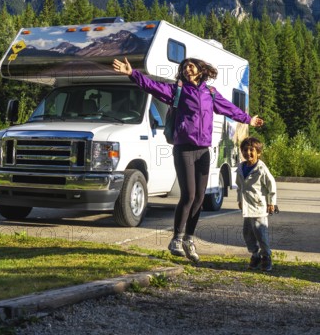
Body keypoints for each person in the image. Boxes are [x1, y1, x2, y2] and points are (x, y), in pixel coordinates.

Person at [112, 56, 264, 264]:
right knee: (189, 195)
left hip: (203, 150)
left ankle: (189, 239)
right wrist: (132, 74)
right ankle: (176, 239)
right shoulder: (178, 91)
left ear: (200, 70)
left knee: (200, 198)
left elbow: (229, 108)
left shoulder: (210, 93)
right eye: (184, 67)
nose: (186, 69)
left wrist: (249, 119)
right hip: (183, 148)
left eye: (190, 66)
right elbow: (153, 87)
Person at [236, 137, 277, 272]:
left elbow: (271, 186)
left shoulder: (261, 168)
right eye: (245, 150)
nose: (248, 153)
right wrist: (240, 200)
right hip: (247, 207)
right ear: (241, 152)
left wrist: (271, 202)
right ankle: (255, 255)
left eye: (252, 150)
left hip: (259, 206)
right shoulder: (241, 168)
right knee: (247, 233)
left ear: (258, 152)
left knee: (260, 233)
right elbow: (239, 186)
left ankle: (266, 256)